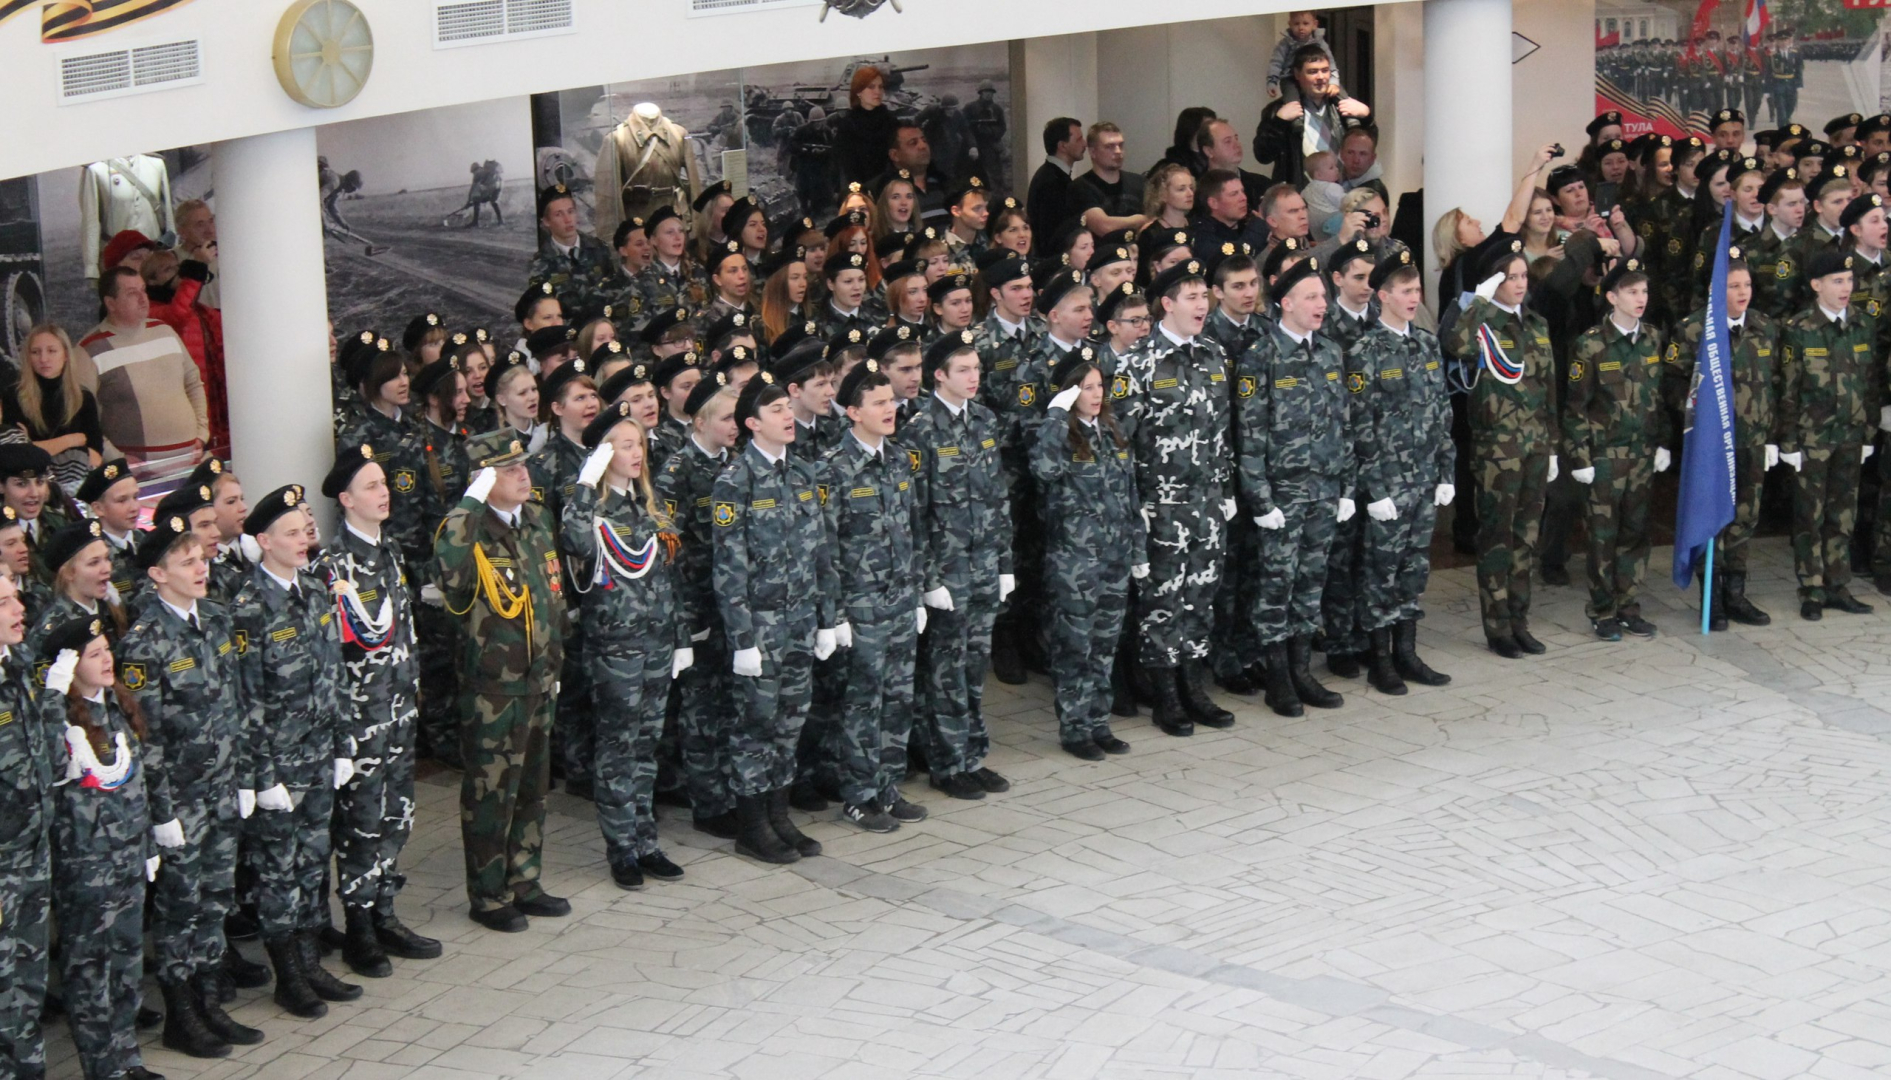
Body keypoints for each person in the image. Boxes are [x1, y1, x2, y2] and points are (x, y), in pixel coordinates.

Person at [119, 508, 250, 1059]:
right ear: (157, 574)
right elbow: (144, 738)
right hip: (180, 798)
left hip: (220, 787)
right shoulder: (144, 642)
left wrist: (243, 776)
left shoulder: (215, 620)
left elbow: (234, 703)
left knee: (216, 897)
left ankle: (209, 999)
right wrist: (161, 812)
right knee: (180, 906)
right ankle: (181, 1013)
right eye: (186, 562)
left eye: (201, 559)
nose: (201, 569)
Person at [229, 484, 365, 1009]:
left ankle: (310, 964)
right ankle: (288, 975)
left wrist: (342, 744)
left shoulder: (312, 589)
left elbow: (333, 675)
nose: (302, 540)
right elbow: (246, 701)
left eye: (302, 532)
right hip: (279, 765)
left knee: (312, 862)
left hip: (318, 755)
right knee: (277, 871)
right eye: (289, 534)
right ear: (264, 541)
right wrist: (262, 777)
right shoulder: (248, 607)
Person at [435, 431, 569, 932]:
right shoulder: (467, 531)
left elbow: (551, 597)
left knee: (533, 788)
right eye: (508, 469)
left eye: (522, 465)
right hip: (493, 687)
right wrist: (469, 504)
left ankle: (525, 880)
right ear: (482, 480)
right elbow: (449, 574)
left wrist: (554, 663)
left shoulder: (537, 520)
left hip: (538, 680)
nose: (523, 475)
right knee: (492, 795)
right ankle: (489, 895)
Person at [560, 403, 691, 888]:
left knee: (646, 746)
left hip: (656, 644)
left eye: (640, 444)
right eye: (626, 445)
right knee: (617, 747)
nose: (638, 454)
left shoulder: (650, 508)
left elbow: (672, 581)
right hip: (615, 649)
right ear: (603, 454)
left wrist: (680, 638)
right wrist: (584, 482)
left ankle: (646, 840)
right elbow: (575, 542)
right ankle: (621, 848)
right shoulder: (591, 511)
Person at [41, 614, 175, 1080]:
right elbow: (47, 765)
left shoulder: (117, 706)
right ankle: (103, 1068)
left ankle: (127, 1057)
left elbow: (141, 778)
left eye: (107, 650)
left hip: (128, 858)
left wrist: (151, 836)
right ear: (70, 666)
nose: (107, 660)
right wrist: (52, 695)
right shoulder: (57, 720)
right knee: (90, 972)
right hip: (86, 866)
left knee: (126, 963)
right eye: (94, 654)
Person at [711, 372, 837, 863]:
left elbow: (820, 551)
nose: (788, 417)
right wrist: (742, 639)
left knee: (790, 721)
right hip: (760, 628)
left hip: (801, 620)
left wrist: (828, 617)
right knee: (755, 726)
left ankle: (779, 815)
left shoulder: (802, 473)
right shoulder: (735, 482)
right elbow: (729, 568)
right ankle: (752, 825)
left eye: (788, 407)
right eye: (776, 410)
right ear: (751, 423)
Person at [1235, 255, 1353, 716]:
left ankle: (1302, 670)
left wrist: (1345, 487)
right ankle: (1277, 676)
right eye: (1311, 297)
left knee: (1310, 582)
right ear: (1285, 303)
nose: (1321, 304)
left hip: (1323, 491)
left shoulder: (1330, 352)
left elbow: (1342, 424)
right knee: (1276, 585)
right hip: (1282, 496)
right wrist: (1260, 499)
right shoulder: (1260, 356)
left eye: (1323, 296)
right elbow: (1250, 434)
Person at [1122, 260, 1235, 733]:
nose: (1202, 305)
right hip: (1162, 508)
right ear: (1166, 304)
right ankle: (1165, 694)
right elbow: (1121, 444)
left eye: (1204, 296)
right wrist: (1135, 509)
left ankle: (1194, 686)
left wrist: (1226, 489)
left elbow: (1222, 430)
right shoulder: (1138, 362)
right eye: (1192, 297)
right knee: (1162, 600)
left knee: (1201, 596)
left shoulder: (1214, 354)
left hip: (1207, 503)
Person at [817, 359, 927, 830]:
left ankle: (888, 787)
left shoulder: (899, 459)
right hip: (860, 605)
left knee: (898, 698)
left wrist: (917, 593)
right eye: (878, 403)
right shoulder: (832, 469)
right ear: (852, 412)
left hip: (900, 600)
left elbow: (913, 531)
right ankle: (859, 795)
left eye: (891, 401)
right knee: (862, 703)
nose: (889, 409)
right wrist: (836, 614)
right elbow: (825, 548)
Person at [903, 332, 1013, 800]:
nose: (973, 378)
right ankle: (946, 763)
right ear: (939, 376)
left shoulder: (984, 420)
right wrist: (929, 580)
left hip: (984, 563)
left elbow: (998, 496)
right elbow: (915, 513)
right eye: (963, 370)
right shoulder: (920, 430)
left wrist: (1005, 562)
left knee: (974, 666)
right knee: (945, 670)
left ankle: (972, 755)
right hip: (947, 570)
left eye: (976, 369)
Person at [1442, 241, 1557, 659]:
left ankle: (1519, 620)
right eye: (1511, 278)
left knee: (1526, 538)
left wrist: (1553, 445)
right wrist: (1479, 300)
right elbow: (1454, 343)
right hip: (1497, 450)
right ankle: (1497, 627)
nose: (1520, 284)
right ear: (1494, 282)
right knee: (1496, 539)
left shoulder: (1537, 325)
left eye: (1524, 276)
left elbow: (1549, 388)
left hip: (1535, 446)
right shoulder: (1482, 324)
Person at [1348, 251, 1455, 690]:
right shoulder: (1365, 350)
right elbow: (1360, 425)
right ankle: (1380, 658)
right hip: (1389, 481)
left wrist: (1446, 471)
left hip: (1424, 478)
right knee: (1381, 571)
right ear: (1383, 296)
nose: (1414, 298)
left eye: (1417, 290)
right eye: (1405, 291)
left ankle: (1407, 652)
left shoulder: (1426, 344)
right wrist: (1374, 490)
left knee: (1414, 569)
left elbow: (1441, 412)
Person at [1030, 360, 1145, 760]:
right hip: (1075, 561)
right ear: (1069, 392)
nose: (1096, 395)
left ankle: (1099, 722)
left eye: (1099, 386)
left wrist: (1138, 550)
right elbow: (1044, 469)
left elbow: (1131, 495)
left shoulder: (1112, 431)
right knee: (1074, 647)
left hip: (1115, 556)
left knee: (1104, 646)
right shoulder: (1058, 435)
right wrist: (1055, 416)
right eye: (1086, 387)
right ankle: (1075, 729)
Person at [1663, 247, 1780, 628]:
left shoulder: (1764, 327)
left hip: (1752, 440)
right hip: (1712, 445)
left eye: (1747, 284)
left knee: (1745, 517)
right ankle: (1711, 596)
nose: (1743, 292)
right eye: (1733, 286)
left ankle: (1735, 594)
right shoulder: (1694, 330)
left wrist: (1772, 435)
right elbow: (1673, 383)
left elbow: (1775, 384)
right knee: (1711, 518)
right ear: (1716, 289)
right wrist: (1699, 415)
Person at [654, 375, 742, 839]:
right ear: (701, 422)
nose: (735, 425)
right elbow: (669, 552)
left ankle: (731, 790)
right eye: (726, 418)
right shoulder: (676, 473)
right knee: (701, 707)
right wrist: (684, 619)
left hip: (731, 604)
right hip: (698, 606)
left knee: (730, 701)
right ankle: (708, 802)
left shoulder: (735, 464)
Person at [1563, 260, 1669, 641]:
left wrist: (1663, 441)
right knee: (1602, 537)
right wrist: (1580, 457)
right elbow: (1576, 406)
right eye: (1631, 291)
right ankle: (1602, 610)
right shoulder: (1591, 344)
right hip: (1605, 456)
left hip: (1641, 454)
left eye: (1644, 291)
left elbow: (1659, 396)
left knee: (1636, 532)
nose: (1641, 299)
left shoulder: (1653, 338)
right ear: (1612, 297)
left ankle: (1628, 605)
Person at [1778, 250, 1877, 621]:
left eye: (1849, 280)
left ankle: (1837, 584)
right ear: (1816, 285)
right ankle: (1811, 588)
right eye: (1837, 281)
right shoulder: (1799, 328)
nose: (1845, 288)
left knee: (1843, 514)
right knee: (1810, 516)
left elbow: (1870, 384)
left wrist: (1868, 432)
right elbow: (1788, 389)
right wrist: (1788, 440)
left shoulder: (1862, 324)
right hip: (1813, 438)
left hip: (1850, 434)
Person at [0, 569, 52, 1079]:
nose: (19, 610)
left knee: (28, 979)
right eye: (4, 603)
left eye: (15, 598)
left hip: (30, 846)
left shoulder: (16, 663)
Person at [77, 267, 210, 466]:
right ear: (110, 303)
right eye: (132, 293)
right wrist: (116, 458)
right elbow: (82, 416)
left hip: (190, 461)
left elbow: (193, 383)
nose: (142, 299)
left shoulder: (165, 332)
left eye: (143, 290)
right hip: (137, 474)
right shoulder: (89, 349)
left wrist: (201, 433)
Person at [3, 325, 104, 496]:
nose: (43, 359)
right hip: (31, 489)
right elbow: (17, 456)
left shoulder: (83, 397)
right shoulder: (13, 397)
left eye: (51, 351)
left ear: (65, 355)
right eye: (35, 352)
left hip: (78, 490)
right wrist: (72, 441)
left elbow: (95, 457)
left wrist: (36, 446)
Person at [1255, 44, 1370, 187]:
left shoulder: (1343, 107)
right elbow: (1262, 156)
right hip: (1300, 193)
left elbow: (1368, 149)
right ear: (1297, 74)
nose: (1320, 77)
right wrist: (1279, 123)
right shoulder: (1278, 110)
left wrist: (1367, 118)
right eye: (1313, 72)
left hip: (1343, 190)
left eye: (1325, 70)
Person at [1068, 123, 1150, 238]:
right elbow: (1103, 227)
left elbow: (1156, 219)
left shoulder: (1139, 182)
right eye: (1109, 147)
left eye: (1120, 145)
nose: (1118, 151)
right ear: (1093, 152)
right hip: (1102, 249)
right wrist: (1140, 219)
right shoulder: (1081, 187)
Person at [834, 65, 900, 189]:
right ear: (859, 91)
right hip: (859, 189)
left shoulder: (890, 120)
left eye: (880, 87)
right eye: (871, 87)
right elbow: (843, 166)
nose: (878, 91)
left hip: (888, 187)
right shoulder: (848, 125)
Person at [1029, 117, 1085, 253]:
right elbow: (1053, 235)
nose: (1085, 144)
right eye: (1079, 139)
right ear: (1062, 146)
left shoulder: (1051, 175)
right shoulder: (1051, 182)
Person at [1193, 168, 1270, 260]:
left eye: (1242, 191)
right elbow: (1233, 260)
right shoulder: (1202, 235)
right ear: (1213, 203)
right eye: (1234, 194)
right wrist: (1258, 229)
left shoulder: (1246, 225)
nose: (1244, 198)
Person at [1266, 10, 1341, 103]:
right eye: (1296, 24)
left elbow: (1330, 61)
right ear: (1290, 24)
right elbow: (1276, 63)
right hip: (1290, 77)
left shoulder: (1319, 41)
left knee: (1338, 94)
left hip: (1313, 76)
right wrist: (1272, 82)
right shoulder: (1285, 44)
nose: (1301, 28)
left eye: (1305, 23)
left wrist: (1334, 81)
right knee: (1292, 102)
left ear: (1314, 24)